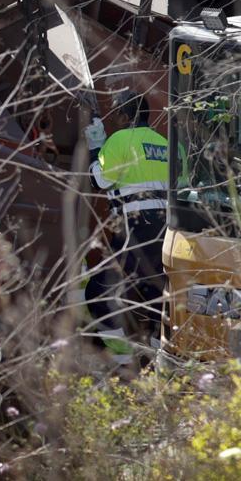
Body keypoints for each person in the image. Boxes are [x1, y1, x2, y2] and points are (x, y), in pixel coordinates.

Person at [90, 89, 175, 340]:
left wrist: (96, 148)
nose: (114, 119)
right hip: (166, 233)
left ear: (127, 117)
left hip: (133, 231)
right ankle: (157, 356)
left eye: (117, 113)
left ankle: (120, 360)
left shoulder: (119, 140)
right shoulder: (169, 146)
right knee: (156, 299)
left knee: (99, 294)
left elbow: (99, 181)